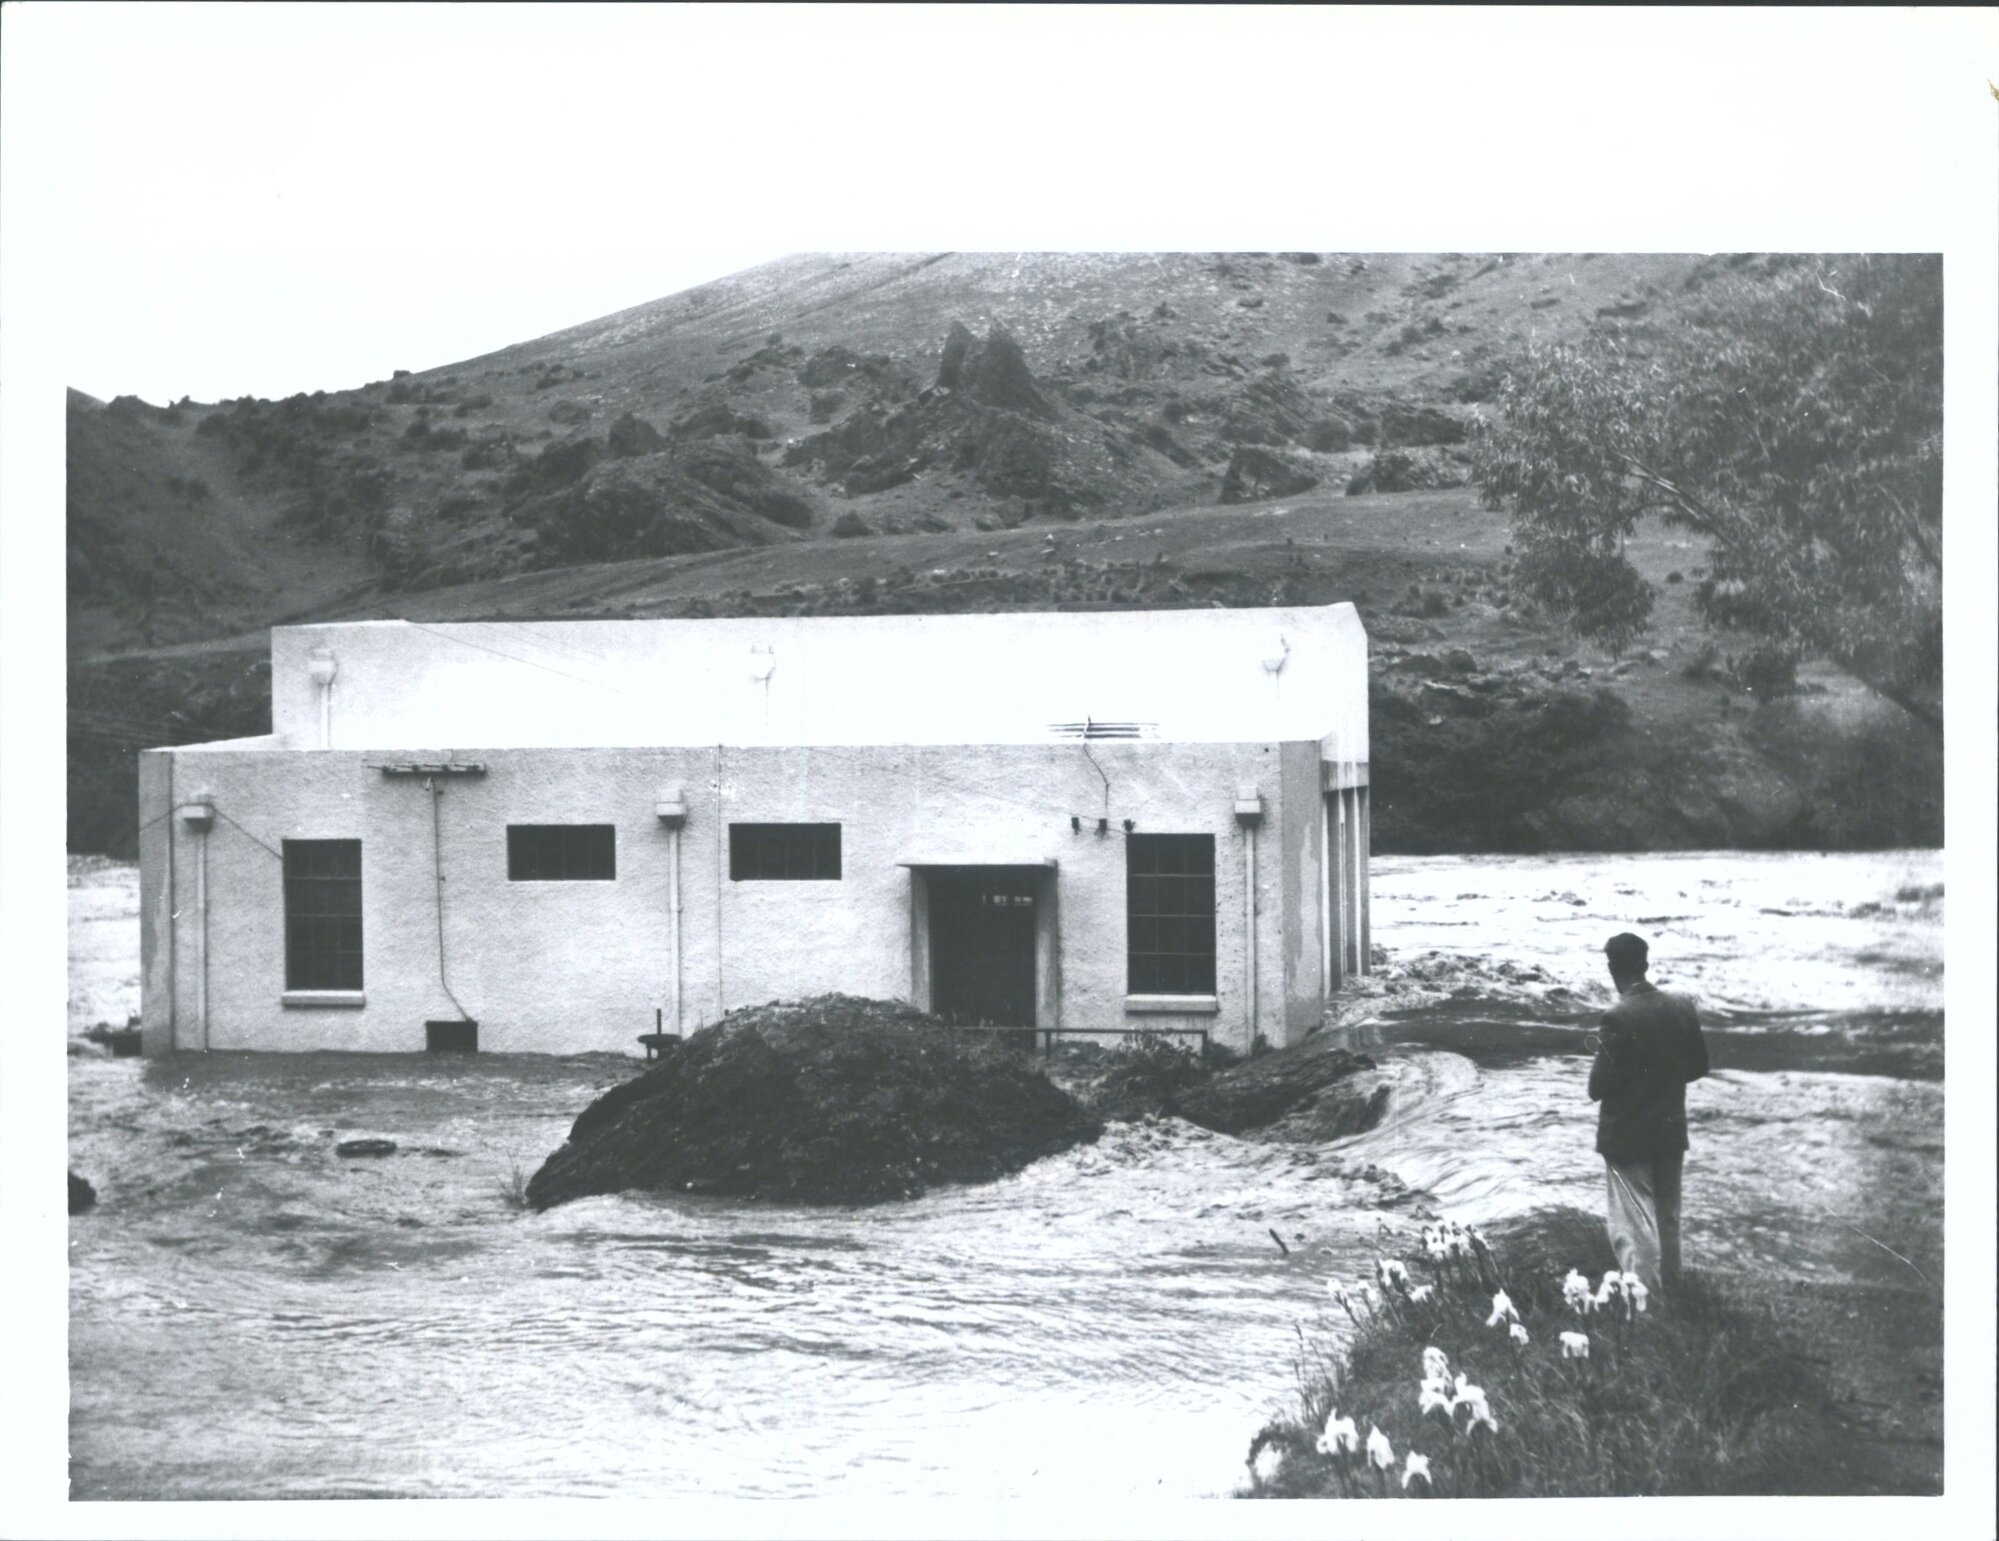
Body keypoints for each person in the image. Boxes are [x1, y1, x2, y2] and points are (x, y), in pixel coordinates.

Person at [1587, 932, 1709, 1292]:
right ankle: (1673, 1293)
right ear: (1646, 963)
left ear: (1612, 969)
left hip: (1628, 1136)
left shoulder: (1616, 1017)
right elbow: (1699, 1066)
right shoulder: (1682, 1006)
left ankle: (1644, 1304)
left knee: (1635, 1225)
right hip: (1670, 1131)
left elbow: (1597, 1088)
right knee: (1667, 1218)